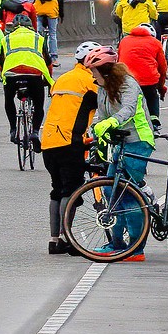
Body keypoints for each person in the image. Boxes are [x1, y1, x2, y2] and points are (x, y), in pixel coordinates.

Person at [43, 43, 118, 254]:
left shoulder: (63, 78)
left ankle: (54, 240)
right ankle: (70, 239)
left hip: (49, 141)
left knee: (57, 190)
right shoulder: (89, 81)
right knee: (71, 189)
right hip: (69, 141)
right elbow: (109, 104)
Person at [89, 48, 158, 261]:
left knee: (128, 195)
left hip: (138, 141)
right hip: (120, 141)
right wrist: (95, 129)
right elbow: (100, 114)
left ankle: (136, 249)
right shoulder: (102, 87)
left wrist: (111, 122)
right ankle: (117, 243)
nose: (92, 75)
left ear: (105, 70)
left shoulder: (128, 84)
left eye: (94, 71)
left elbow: (127, 109)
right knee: (110, 191)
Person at [1, 15, 52, 147]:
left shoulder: (6, 39)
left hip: (12, 73)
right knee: (39, 105)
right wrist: (47, 80)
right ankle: (35, 131)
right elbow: (48, 62)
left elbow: (1, 61)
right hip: (34, 73)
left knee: (9, 100)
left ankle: (13, 129)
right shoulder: (38, 38)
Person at [118, 22, 168, 120]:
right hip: (148, 80)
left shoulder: (124, 41)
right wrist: (161, 87)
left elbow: (118, 60)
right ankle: (154, 121)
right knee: (152, 96)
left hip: (126, 78)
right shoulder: (155, 42)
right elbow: (162, 67)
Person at [32, 0, 63, 64]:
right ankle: (54, 57)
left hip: (38, 11)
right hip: (52, 13)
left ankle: (38, 53)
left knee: (38, 33)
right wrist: (61, 15)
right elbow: (60, 2)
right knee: (52, 34)